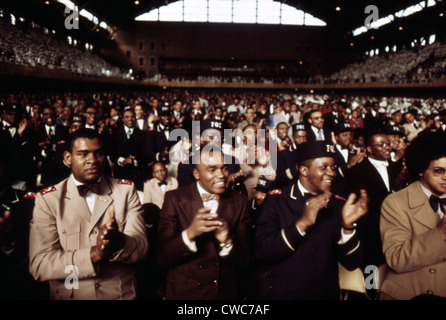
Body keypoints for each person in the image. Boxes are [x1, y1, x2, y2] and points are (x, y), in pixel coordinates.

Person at [28, 128, 148, 300]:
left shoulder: (126, 190)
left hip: (120, 295)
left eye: (98, 153)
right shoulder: (48, 199)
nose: (92, 160)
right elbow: (40, 265)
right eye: (83, 154)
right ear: (68, 158)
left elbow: (142, 249)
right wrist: (94, 253)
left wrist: (120, 242)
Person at [255, 141, 368, 299]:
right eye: (323, 167)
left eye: (333, 167)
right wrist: (302, 224)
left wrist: (348, 227)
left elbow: (352, 264)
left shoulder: (339, 204)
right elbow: (263, 252)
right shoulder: (276, 200)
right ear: (303, 170)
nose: (332, 173)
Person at [156, 148, 251, 300]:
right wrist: (189, 234)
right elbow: (162, 257)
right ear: (196, 174)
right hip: (185, 294)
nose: (221, 175)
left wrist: (227, 242)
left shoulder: (240, 201)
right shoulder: (174, 199)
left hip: (224, 293)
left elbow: (245, 259)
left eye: (224, 168)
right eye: (211, 170)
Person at [379, 131, 446, 300]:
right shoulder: (396, 203)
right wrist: (440, 234)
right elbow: (396, 259)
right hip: (410, 292)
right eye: (439, 170)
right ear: (421, 169)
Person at [347, 131, 404, 272]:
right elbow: (364, 201)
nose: (387, 147)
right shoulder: (357, 171)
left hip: (397, 230)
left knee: (394, 268)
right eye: (381, 144)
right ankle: (371, 292)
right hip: (372, 232)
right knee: (371, 269)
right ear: (369, 149)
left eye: (388, 144)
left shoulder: (397, 168)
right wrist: (394, 196)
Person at [109, 106, 147, 190]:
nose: (130, 119)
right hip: (120, 174)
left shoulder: (143, 134)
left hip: (137, 175)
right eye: (127, 117)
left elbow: (146, 155)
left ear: (135, 118)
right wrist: (121, 160)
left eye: (132, 116)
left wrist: (134, 161)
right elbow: (112, 155)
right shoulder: (115, 134)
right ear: (122, 119)